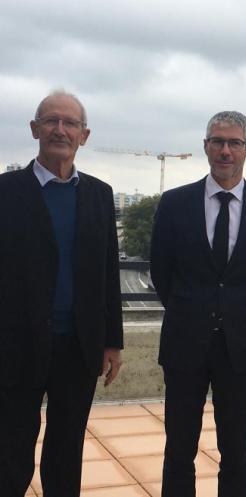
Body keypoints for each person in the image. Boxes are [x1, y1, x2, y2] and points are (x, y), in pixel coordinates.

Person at [150, 110, 246, 497]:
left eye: (234, 143)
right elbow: (162, 271)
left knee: (236, 450)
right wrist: (193, 310)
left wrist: (236, 315)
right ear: (206, 146)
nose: (225, 151)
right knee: (178, 448)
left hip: (240, 347)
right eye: (218, 142)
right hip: (184, 343)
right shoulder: (175, 203)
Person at [0, 90, 124, 496]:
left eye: (70, 123)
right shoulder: (6, 191)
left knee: (67, 446)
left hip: (79, 343)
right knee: (11, 445)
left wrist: (112, 342)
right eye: (51, 121)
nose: (60, 129)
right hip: (16, 343)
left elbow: (108, 272)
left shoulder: (99, 195)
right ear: (35, 129)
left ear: (83, 135)